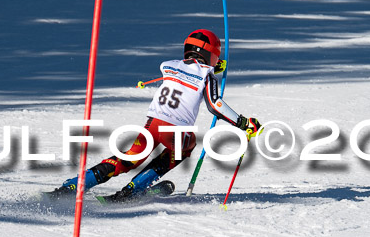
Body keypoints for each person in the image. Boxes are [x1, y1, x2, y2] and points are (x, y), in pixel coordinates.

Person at [49, 29, 261, 202]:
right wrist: (243, 123)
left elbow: (188, 72)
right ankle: (133, 189)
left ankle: (73, 186)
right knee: (186, 146)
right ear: (211, 55)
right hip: (175, 131)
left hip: (151, 126)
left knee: (128, 159)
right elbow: (215, 105)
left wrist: (213, 69)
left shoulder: (170, 66)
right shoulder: (207, 76)